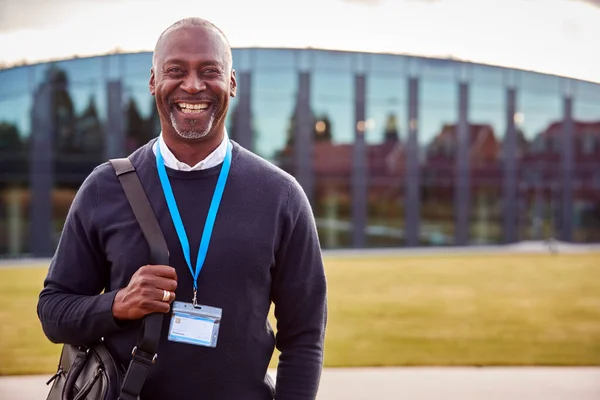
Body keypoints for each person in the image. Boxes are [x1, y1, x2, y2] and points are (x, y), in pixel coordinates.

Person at [38, 17, 327, 400]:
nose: (193, 85)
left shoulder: (281, 196)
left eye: (210, 71)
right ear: (154, 81)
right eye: (176, 70)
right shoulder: (104, 187)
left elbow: (304, 336)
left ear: (233, 83)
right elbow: (54, 311)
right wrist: (117, 304)